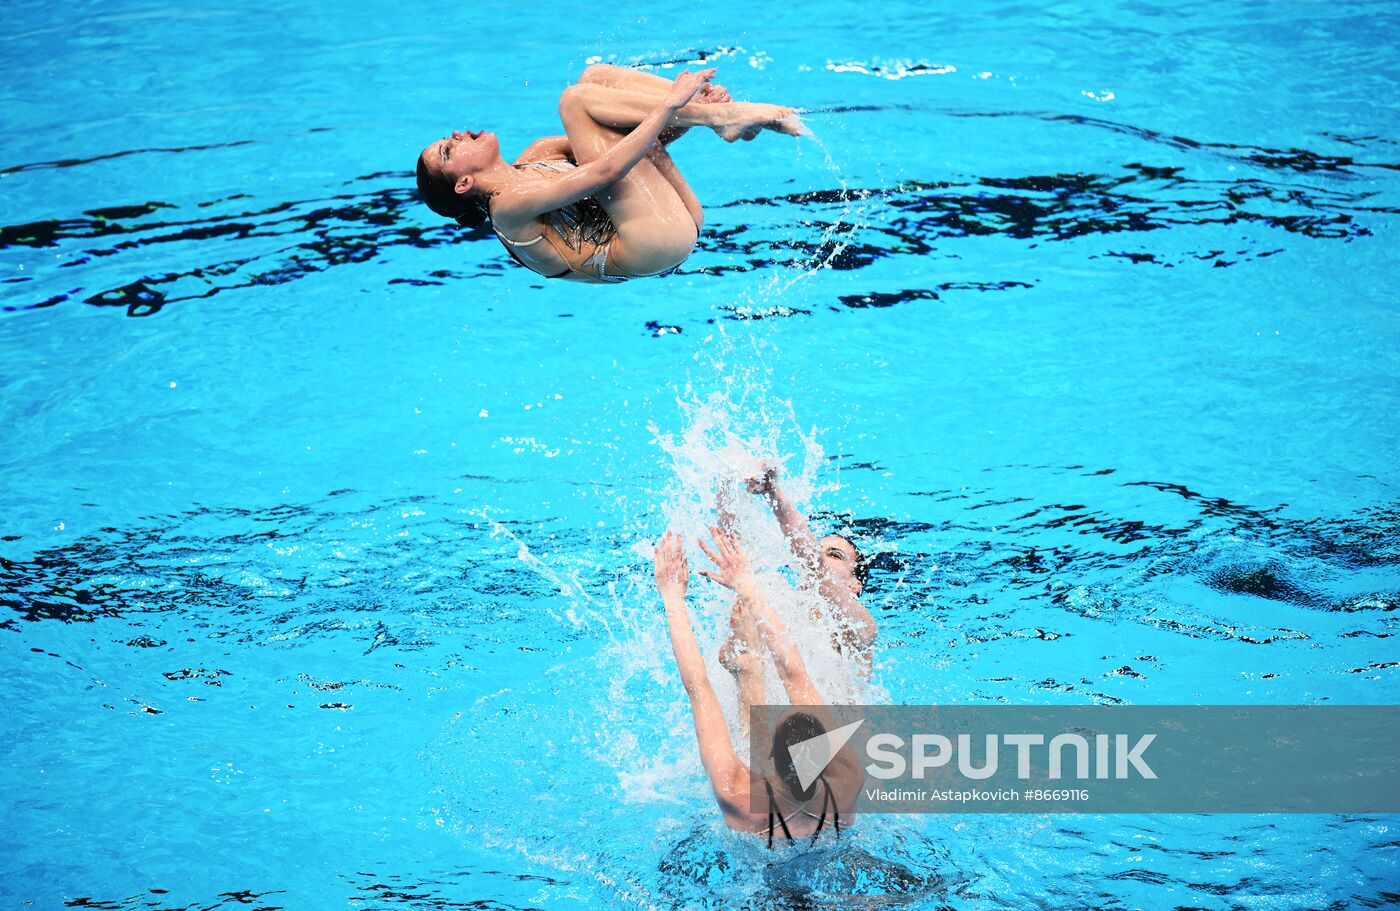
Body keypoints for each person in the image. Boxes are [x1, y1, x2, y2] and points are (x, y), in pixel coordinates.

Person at [415, 64, 804, 283]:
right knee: (574, 100)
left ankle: (723, 116)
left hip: (667, 218)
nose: (455, 135)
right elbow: (607, 171)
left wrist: (686, 114)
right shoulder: (507, 209)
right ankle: (722, 117)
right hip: (650, 244)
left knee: (594, 79)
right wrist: (673, 102)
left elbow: (643, 139)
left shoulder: (539, 154)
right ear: (464, 184)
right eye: (448, 150)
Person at [653, 529, 862, 847]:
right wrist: (748, 587)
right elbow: (794, 673)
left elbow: (698, 687)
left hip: (756, 890)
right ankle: (746, 663)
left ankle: (746, 664)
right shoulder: (845, 784)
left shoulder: (735, 793)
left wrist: (672, 598)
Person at [715, 466, 877, 730]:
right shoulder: (781, 604)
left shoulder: (859, 628)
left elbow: (818, 572)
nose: (820, 555)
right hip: (761, 737)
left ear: (854, 585)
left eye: (834, 554)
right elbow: (735, 554)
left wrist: (775, 495)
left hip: (828, 753)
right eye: (818, 549)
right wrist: (725, 482)